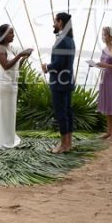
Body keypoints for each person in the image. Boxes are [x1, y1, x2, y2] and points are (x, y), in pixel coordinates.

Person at [42, 12, 76, 154]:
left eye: (55, 21)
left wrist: (47, 67)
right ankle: (68, 143)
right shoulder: (70, 39)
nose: (53, 24)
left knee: (61, 114)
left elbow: (58, 63)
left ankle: (63, 145)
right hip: (67, 81)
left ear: (60, 22)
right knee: (67, 112)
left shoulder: (62, 40)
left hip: (60, 83)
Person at [94, 26, 112, 140]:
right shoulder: (104, 49)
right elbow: (102, 63)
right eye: (102, 34)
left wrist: (105, 65)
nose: (103, 37)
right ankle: (109, 131)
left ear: (111, 36)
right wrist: (96, 64)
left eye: (105, 35)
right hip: (104, 78)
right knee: (107, 106)